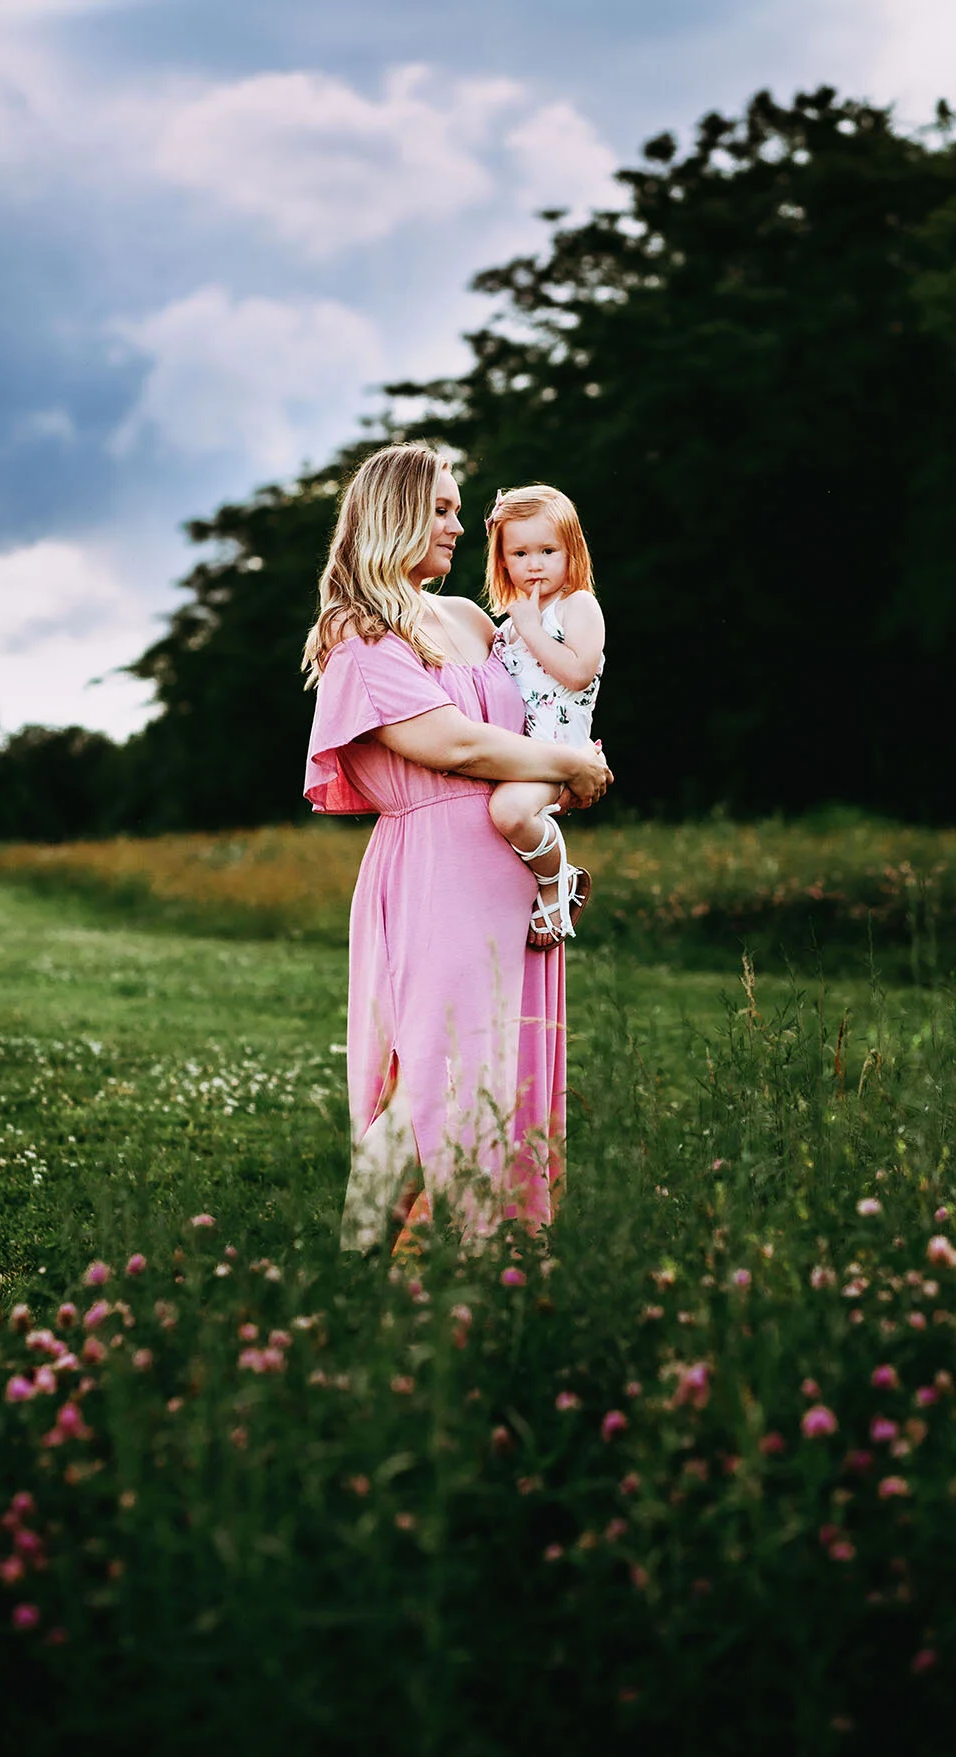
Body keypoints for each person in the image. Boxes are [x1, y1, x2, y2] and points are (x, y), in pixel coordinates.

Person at [302, 443, 612, 1255]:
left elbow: (545, 711)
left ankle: (496, 1262)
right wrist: (570, 767)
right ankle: (361, 1258)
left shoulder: (474, 620)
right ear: (395, 514)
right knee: (434, 1076)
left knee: (501, 1068)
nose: (458, 524)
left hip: (507, 871)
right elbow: (455, 746)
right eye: (439, 508)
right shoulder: (360, 632)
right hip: (437, 870)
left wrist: (567, 760)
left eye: (456, 507)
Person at [484, 485, 606, 952]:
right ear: (503, 561)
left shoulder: (577, 606)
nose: (534, 564)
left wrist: (532, 629)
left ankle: (559, 879)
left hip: (560, 755)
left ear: (571, 551)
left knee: (510, 812)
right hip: (520, 755)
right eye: (520, 552)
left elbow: (577, 673)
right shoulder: (510, 623)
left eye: (548, 551)